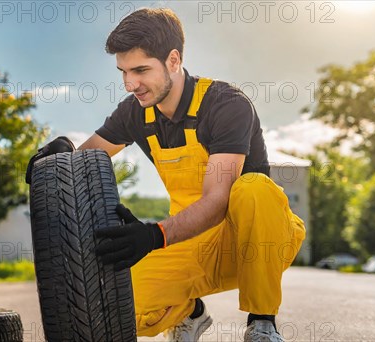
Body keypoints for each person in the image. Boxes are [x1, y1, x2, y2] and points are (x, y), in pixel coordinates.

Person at [26, 8, 306, 342]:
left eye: (141, 70)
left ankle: (261, 323)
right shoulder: (135, 112)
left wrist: (152, 236)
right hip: (191, 242)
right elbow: (86, 157)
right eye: (124, 72)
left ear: (173, 60)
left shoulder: (225, 104)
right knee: (120, 306)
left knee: (253, 188)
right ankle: (192, 313)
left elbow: (217, 201)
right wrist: (61, 155)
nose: (131, 84)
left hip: (258, 240)